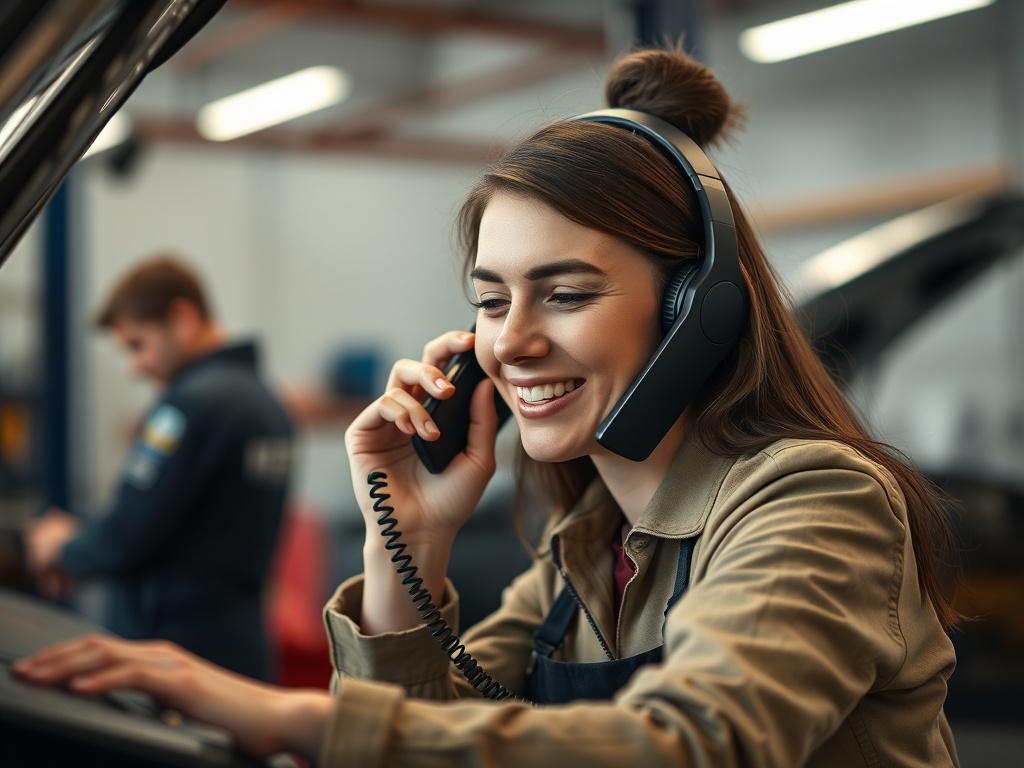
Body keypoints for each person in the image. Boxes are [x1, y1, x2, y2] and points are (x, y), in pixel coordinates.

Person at [15, 47, 959, 766]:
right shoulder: (584, 551)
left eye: (567, 292)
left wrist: (291, 713)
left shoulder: (814, 501)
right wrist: (406, 543)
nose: (509, 343)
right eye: (491, 299)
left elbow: (690, 743)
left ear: (692, 312)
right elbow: (430, 731)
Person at [24, 256, 293, 681]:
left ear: (182, 319)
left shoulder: (191, 406)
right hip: (237, 652)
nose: (136, 367)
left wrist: (61, 548)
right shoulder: (265, 403)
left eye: (138, 344)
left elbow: (129, 534)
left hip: (173, 654)